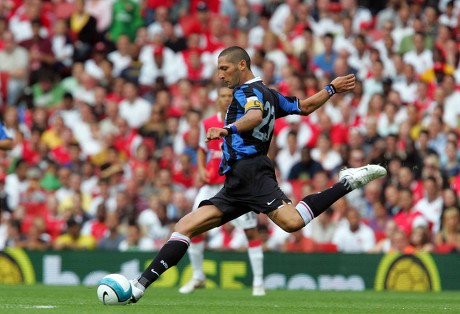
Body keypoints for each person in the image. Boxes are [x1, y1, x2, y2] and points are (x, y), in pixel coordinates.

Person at [128, 46, 387, 302]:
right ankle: (138, 286)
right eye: (219, 69)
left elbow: (254, 115)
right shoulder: (269, 94)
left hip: (252, 172)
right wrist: (330, 89)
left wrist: (226, 129)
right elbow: (305, 107)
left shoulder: (248, 92)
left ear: (242, 65)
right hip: (236, 181)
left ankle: (348, 182)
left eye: (224, 68)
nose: (220, 75)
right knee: (184, 227)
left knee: (293, 223)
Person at [178, 86, 266, 296]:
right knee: (192, 226)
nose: (226, 99)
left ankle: (259, 283)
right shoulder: (207, 123)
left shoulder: (244, 122)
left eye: (229, 96)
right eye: (223, 96)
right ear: (217, 99)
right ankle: (198, 275)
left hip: (235, 186)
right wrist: (200, 168)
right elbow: (201, 148)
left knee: (250, 231)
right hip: (210, 185)